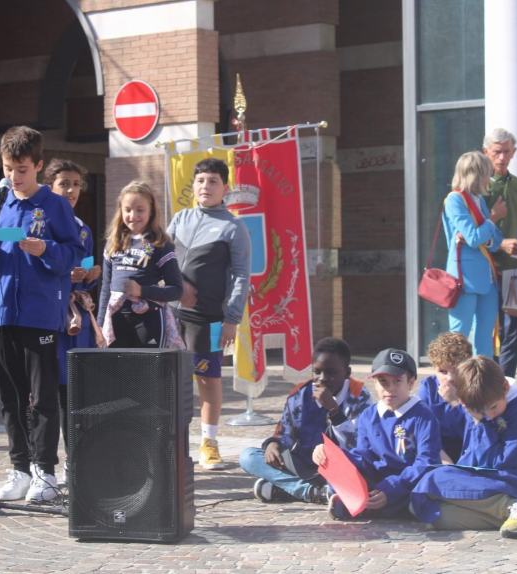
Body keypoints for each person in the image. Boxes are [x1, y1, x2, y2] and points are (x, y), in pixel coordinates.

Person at [0, 126, 84, 503]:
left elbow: (72, 254)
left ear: (37, 166)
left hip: (39, 312)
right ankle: (19, 467)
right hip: (2, 311)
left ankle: (46, 472)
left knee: (43, 396)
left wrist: (44, 249)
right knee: (10, 396)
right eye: (7, 169)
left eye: (21, 169)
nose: (13, 177)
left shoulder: (54, 205)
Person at [409, 356, 517, 537]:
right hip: (484, 481)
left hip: (513, 482)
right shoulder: (477, 407)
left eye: (493, 407)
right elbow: (470, 455)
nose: (489, 415)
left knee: (432, 479)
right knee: (430, 513)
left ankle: (515, 506)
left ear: (505, 388)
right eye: (480, 411)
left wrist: (482, 425)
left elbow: (501, 462)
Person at [167, 158, 251, 470]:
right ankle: (171, 441)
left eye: (213, 181)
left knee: (208, 379)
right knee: (170, 380)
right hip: (171, 316)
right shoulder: (180, 218)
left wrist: (232, 318)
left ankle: (209, 442)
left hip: (210, 318)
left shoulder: (233, 227)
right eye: (201, 180)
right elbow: (160, 257)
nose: (206, 186)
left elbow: (242, 276)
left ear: (224, 188)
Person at [239, 337, 373, 505]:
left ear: (347, 372)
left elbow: (360, 445)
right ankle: (311, 492)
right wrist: (273, 445)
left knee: (365, 476)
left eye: (331, 373)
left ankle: (289, 488)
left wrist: (334, 411)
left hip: (339, 467)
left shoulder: (359, 396)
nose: (322, 378)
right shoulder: (300, 395)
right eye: (317, 372)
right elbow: (285, 434)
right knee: (248, 457)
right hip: (303, 465)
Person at [313, 348, 441, 520]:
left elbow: (426, 462)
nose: (390, 389)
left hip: (406, 482)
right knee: (338, 463)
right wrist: (331, 454)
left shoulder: (423, 417)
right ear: (374, 382)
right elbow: (363, 456)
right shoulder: (368, 415)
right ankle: (358, 500)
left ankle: (363, 506)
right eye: (383, 382)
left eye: (397, 381)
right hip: (376, 482)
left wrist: (392, 488)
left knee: (423, 489)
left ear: (411, 382)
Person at [42, 158, 102, 482]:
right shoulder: (39, 221)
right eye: (64, 183)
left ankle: (74, 463)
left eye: (76, 184)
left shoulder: (84, 229)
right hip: (46, 317)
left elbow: (90, 271)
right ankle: (40, 469)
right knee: (43, 395)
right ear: (49, 185)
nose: (71, 190)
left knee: (74, 396)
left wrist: (90, 274)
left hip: (75, 322)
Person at [96, 181, 183, 348]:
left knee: (149, 372)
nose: (133, 215)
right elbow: (105, 287)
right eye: (127, 210)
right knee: (119, 372)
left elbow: (176, 290)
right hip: (116, 319)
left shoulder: (161, 244)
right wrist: (100, 323)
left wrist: (142, 291)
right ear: (120, 211)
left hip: (149, 319)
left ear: (151, 211)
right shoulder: (112, 243)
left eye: (140, 210)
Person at [443, 151, 505, 356]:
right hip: (464, 278)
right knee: (458, 336)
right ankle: (453, 381)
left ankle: (482, 382)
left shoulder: (479, 200)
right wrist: (492, 220)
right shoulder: (455, 199)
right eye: (487, 173)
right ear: (477, 174)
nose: (490, 177)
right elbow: (474, 237)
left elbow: (495, 241)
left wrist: (485, 233)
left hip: (486, 279)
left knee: (485, 335)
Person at [482, 129, 517, 377]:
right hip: (487, 268)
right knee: (490, 328)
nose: (502, 157)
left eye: (506, 151)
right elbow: (472, 230)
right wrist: (500, 244)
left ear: (514, 153)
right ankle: (489, 378)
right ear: (485, 152)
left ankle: (506, 381)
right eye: (497, 151)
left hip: (515, 268)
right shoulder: (480, 186)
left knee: (514, 327)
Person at [418, 332, 472, 463]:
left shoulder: (474, 386)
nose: (450, 378)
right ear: (434, 369)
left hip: (469, 450)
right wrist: (444, 461)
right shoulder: (428, 387)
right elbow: (424, 432)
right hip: (439, 450)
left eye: (457, 370)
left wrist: (455, 402)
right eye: (443, 371)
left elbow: (478, 429)